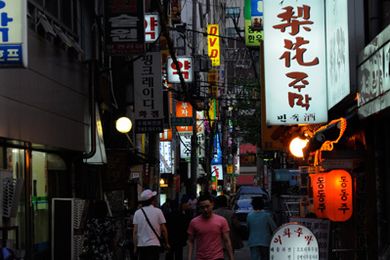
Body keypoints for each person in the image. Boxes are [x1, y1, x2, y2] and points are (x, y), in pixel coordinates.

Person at [187, 194, 234, 260]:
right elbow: (190, 241)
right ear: (199, 208)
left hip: (217, 257)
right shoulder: (194, 222)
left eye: (207, 206)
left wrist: (231, 258)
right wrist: (189, 257)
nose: (205, 209)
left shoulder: (222, 220)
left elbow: (227, 240)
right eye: (202, 207)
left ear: (212, 205)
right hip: (201, 257)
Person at [133, 189, 170, 260]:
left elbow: (135, 232)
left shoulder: (137, 213)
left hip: (142, 245)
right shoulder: (158, 212)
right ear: (152, 200)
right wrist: (166, 242)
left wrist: (135, 247)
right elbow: (164, 229)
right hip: (154, 245)